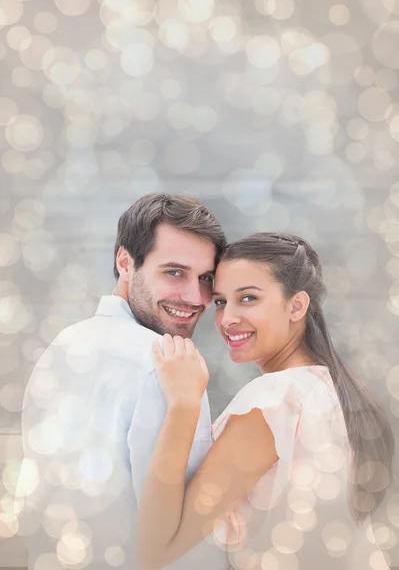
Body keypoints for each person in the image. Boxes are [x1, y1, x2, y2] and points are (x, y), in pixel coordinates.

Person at [136, 232, 395, 570]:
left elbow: (157, 549)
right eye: (219, 301)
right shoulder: (334, 388)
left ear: (296, 305)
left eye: (248, 298)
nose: (227, 318)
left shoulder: (273, 402)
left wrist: (184, 404)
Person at [16, 193, 229, 570]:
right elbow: (182, 543)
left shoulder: (62, 345)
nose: (196, 297)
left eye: (206, 278)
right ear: (125, 262)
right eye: (174, 272)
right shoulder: (169, 367)